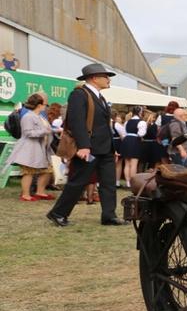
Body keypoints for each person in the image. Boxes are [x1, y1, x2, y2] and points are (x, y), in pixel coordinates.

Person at [47, 63, 127, 226]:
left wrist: (113, 148)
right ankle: (58, 213)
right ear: (94, 78)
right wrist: (83, 146)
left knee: (109, 183)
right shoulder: (79, 95)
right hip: (89, 148)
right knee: (78, 181)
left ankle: (109, 216)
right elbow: (77, 122)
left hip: (105, 149)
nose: (108, 79)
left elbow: (103, 125)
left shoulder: (100, 97)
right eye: (105, 76)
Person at [3, 92, 54, 201]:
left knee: (47, 170)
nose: (46, 107)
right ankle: (25, 194)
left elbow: (47, 129)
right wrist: (45, 131)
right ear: (39, 105)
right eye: (45, 104)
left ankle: (40, 192)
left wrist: (53, 130)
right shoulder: (28, 117)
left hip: (42, 148)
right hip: (29, 148)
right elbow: (28, 133)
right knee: (28, 171)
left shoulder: (40, 117)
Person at [120, 105, 146, 182]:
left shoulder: (127, 122)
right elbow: (141, 134)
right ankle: (133, 182)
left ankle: (128, 182)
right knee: (134, 164)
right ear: (140, 112)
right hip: (135, 141)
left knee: (127, 163)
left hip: (126, 140)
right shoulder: (141, 122)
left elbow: (124, 133)